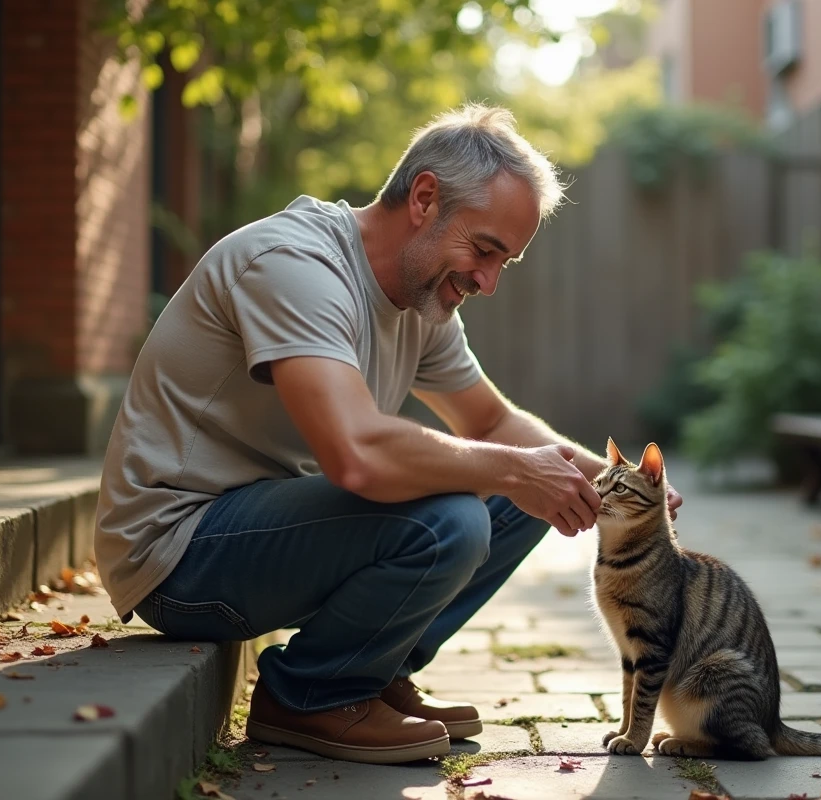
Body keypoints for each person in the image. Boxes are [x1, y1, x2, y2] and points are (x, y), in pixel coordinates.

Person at [94, 103, 683, 765]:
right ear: (425, 198)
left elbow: (489, 422)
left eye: (503, 264)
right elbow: (356, 455)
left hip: (263, 527)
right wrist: (518, 471)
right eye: (484, 250)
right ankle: (314, 695)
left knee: (528, 493)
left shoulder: (423, 300)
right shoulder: (296, 263)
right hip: (178, 553)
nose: (487, 283)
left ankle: (374, 671)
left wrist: (591, 474)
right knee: (455, 517)